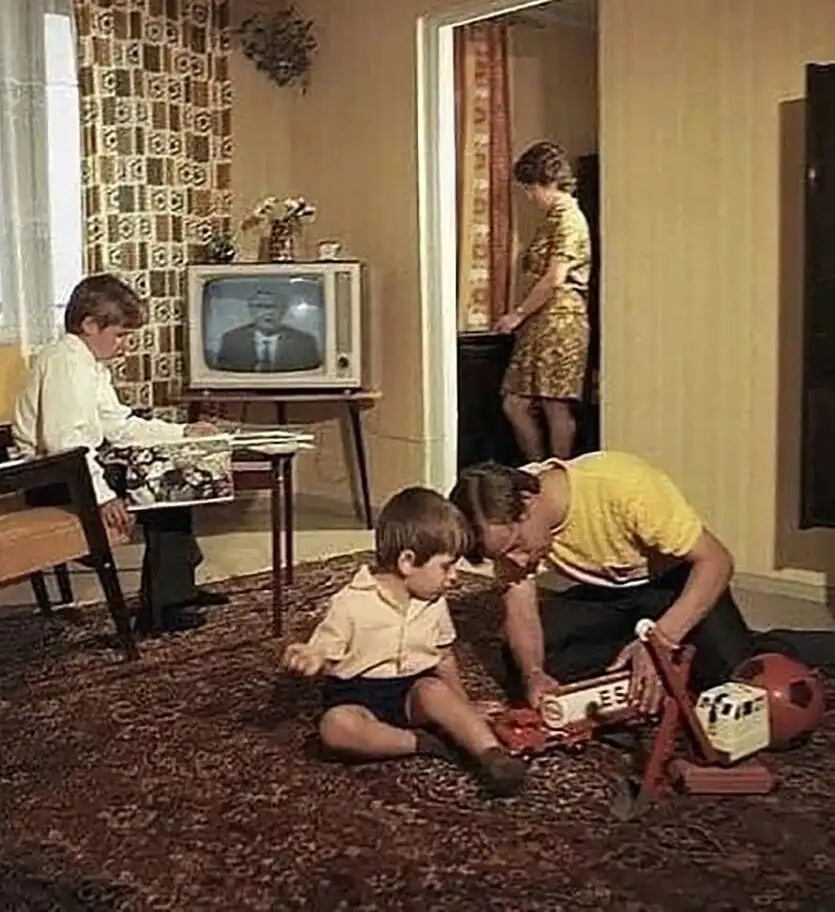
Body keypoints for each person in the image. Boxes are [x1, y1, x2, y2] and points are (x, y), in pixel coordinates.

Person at [449, 451, 793, 715]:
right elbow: (520, 607)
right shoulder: (501, 524)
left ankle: (741, 645)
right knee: (519, 667)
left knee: (740, 682)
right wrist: (534, 674)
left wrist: (661, 641)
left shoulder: (623, 486)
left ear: (528, 501)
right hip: (608, 596)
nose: (517, 561)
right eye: (503, 556)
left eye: (517, 546)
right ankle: (650, 665)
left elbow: (717, 561)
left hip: (673, 585)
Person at [281, 486, 529, 797]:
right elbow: (324, 647)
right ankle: (422, 743)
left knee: (434, 690)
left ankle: (493, 755)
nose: (454, 576)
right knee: (335, 726)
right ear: (408, 562)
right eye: (447, 566)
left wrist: (463, 706)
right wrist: (311, 656)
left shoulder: (434, 602)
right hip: (358, 697)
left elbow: (443, 656)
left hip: (412, 691)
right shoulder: (350, 603)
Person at [13, 273, 225, 636]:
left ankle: (176, 588)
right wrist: (102, 496)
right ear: (90, 325)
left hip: (70, 470)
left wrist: (182, 432)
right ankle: (163, 607)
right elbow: (66, 443)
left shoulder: (88, 363)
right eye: (121, 335)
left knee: (175, 463)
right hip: (51, 478)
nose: (125, 347)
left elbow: (119, 425)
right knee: (167, 480)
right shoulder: (65, 361)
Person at [495, 141, 592, 461]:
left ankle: (559, 471)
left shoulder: (569, 220)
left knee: (554, 402)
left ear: (549, 183)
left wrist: (518, 314)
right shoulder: (552, 220)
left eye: (531, 188)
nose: (530, 197)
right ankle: (538, 467)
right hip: (541, 321)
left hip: (561, 320)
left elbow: (555, 277)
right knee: (516, 402)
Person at [216, 288, 321, 372]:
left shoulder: (304, 341)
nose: (268, 312)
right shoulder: (231, 339)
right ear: (251, 310)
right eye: (261, 307)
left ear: (284, 310)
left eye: (274, 307)